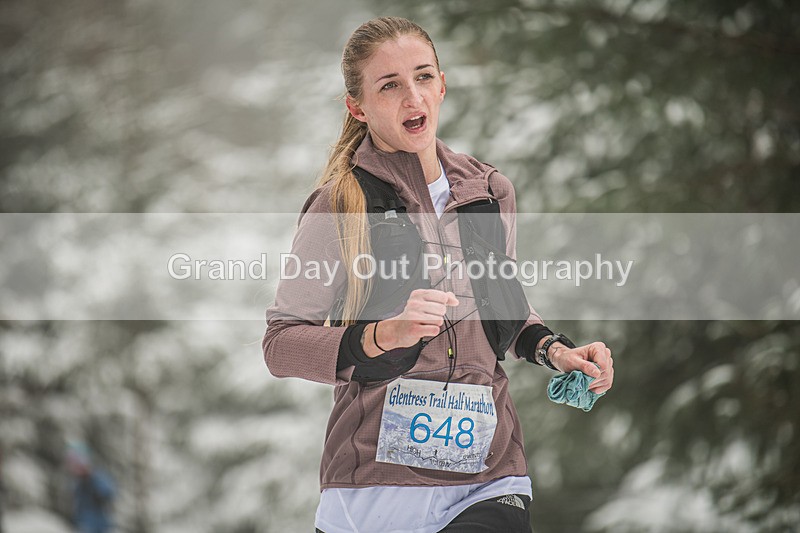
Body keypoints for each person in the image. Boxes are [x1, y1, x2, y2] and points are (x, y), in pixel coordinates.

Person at [262, 16, 614, 533]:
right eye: (390, 85)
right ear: (357, 107)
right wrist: (383, 336)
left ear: (443, 84)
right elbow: (281, 343)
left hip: (488, 474)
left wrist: (556, 350)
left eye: (423, 77)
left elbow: (503, 313)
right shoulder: (340, 204)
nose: (413, 97)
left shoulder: (490, 193)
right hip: (377, 486)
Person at [65, 441, 116, 533]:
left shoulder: (97, 477)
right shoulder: (77, 483)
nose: (76, 468)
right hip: (82, 525)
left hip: (99, 526)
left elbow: (109, 492)